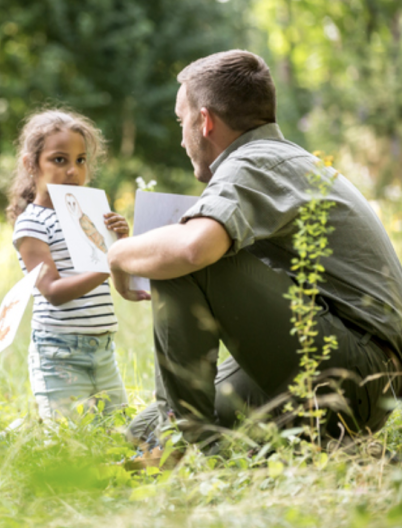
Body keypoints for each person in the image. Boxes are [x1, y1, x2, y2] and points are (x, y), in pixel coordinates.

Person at [107, 50, 402, 449]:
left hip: (356, 374)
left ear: (205, 120)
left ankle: (190, 451)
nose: (181, 137)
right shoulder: (277, 160)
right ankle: (190, 443)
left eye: (182, 122)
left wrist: (117, 255)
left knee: (181, 255)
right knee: (143, 435)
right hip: (355, 376)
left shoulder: (254, 163)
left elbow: (193, 251)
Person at [6, 109, 133, 421]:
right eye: (59, 160)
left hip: (103, 348)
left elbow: (116, 285)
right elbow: (53, 291)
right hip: (60, 352)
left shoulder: (88, 216)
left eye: (81, 159)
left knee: (118, 436)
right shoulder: (31, 224)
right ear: (30, 164)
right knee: (70, 445)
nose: (73, 170)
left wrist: (121, 245)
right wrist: (108, 261)